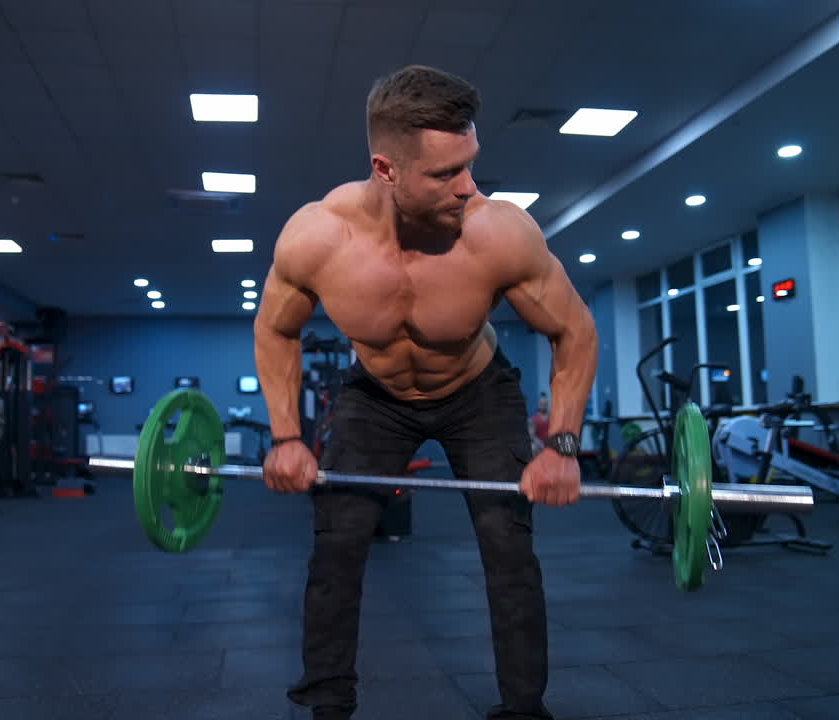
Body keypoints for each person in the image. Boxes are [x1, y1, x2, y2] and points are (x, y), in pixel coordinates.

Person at [253, 65, 599, 720]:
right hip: (375, 397)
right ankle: (328, 704)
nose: (469, 187)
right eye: (445, 173)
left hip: (478, 391)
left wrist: (562, 445)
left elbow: (575, 331)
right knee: (338, 538)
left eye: (470, 165)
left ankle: (524, 710)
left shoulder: (498, 233)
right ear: (386, 169)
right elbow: (275, 330)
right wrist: (286, 438)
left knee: (507, 543)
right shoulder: (317, 239)